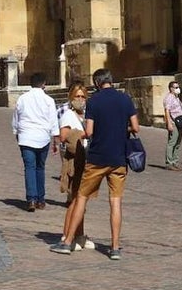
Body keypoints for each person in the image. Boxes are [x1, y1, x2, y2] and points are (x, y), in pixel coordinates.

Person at [50, 69, 139, 260]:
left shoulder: (94, 102)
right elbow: (136, 127)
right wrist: (119, 128)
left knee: (81, 197)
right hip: (119, 158)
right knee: (115, 202)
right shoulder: (125, 99)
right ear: (111, 81)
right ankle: (115, 247)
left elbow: (89, 132)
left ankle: (67, 242)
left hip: (98, 158)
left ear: (97, 83)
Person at [12, 72, 60, 211]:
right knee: (40, 167)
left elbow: (16, 117)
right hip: (43, 137)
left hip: (26, 136)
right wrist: (55, 140)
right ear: (44, 84)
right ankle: (40, 199)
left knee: (29, 167)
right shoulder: (49, 100)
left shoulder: (22, 98)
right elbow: (53, 121)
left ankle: (31, 199)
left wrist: (16, 132)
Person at [58, 84, 93, 251]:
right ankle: (67, 235)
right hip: (74, 162)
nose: (80, 100)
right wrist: (84, 135)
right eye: (77, 97)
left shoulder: (86, 116)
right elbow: (64, 136)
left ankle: (80, 235)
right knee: (74, 201)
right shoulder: (68, 115)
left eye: (83, 97)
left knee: (82, 201)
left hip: (85, 159)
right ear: (71, 98)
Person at [163, 81, 182, 170]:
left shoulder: (176, 97)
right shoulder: (169, 98)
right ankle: (169, 162)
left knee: (178, 142)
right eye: (176, 87)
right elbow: (167, 111)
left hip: (180, 122)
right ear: (171, 88)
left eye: (178, 87)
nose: (178, 89)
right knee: (172, 142)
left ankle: (175, 161)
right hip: (173, 122)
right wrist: (169, 123)